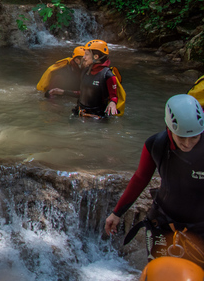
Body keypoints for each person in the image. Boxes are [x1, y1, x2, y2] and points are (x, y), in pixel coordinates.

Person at [104, 94, 204, 269]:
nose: (188, 144)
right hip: (164, 223)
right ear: (169, 128)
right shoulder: (156, 145)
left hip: (201, 227)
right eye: (181, 138)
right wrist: (117, 213)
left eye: (194, 138)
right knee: (160, 273)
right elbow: (140, 178)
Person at [72, 39, 123, 118]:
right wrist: (62, 92)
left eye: (86, 54)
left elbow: (113, 97)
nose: (84, 57)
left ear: (96, 57)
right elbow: (82, 92)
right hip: (79, 112)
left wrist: (113, 103)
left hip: (97, 117)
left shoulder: (108, 75)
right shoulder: (85, 71)